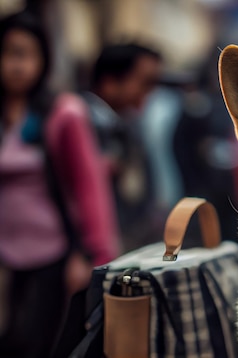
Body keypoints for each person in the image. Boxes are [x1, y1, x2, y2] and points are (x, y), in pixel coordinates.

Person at [0, 11, 120, 358]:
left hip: (53, 253)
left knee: (39, 344)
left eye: (26, 54)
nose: (17, 65)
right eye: (8, 53)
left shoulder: (63, 113)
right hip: (7, 258)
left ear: (44, 59)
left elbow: (89, 187)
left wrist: (92, 256)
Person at [82, 43, 162, 251]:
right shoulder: (81, 123)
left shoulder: (127, 122)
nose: (149, 93)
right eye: (145, 83)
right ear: (110, 82)